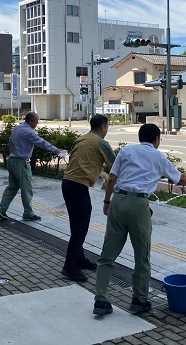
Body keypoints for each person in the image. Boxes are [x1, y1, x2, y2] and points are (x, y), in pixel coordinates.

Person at [93, 123, 186, 315]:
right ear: (156, 139)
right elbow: (179, 177)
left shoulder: (126, 150)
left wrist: (107, 202)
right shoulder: (158, 156)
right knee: (142, 256)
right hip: (139, 206)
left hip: (118, 201)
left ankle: (100, 300)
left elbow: (112, 178)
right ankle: (139, 300)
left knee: (107, 255)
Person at [61, 114, 116, 282]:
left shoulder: (82, 139)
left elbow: (80, 161)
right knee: (80, 227)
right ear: (102, 127)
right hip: (78, 186)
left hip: (68, 183)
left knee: (77, 224)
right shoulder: (101, 142)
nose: (107, 130)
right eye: (107, 127)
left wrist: (99, 172)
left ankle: (79, 258)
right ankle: (69, 267)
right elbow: (117, 167)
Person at [0, 112, 61, 221]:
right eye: (37, 121)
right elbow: (41, 142)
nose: (37, 123)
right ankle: (28, 213)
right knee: (26, 188)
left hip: (12, 159)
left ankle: (2, 209)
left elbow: (10, 142)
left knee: (12, 187)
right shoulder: (28, 132)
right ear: (31, 121)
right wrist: (55, 150)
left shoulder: (17, 128)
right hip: (21, 162)